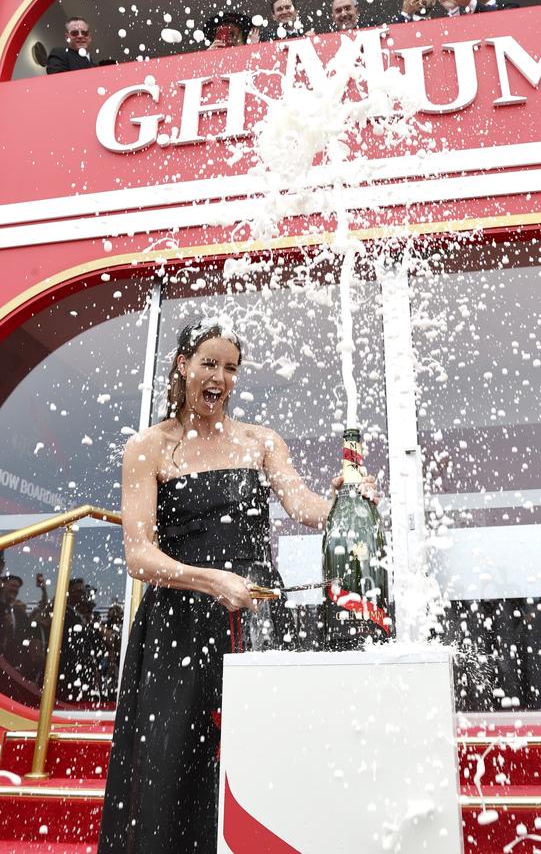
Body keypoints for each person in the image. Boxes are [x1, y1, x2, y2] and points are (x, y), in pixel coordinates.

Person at [97, 320, 377, 853]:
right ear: (182, 364)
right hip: (177, 623)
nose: (220, 378)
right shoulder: (148, 447)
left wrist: (347, 499)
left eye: (230, 369)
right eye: (209, 364)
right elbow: (139, 555)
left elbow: (304, 507)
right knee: (172, 758)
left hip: (256, 617)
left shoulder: (261, 441)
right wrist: (209, 581)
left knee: (255, 756)